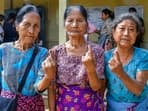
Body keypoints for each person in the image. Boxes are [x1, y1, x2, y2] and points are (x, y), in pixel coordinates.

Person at [47, 5, 106, 111]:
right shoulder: (55, 52)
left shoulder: (97, 51)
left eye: (80, 20)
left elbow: (97, 87)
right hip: (64, 106)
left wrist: (90, 68)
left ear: (87, 25)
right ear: (64, 24)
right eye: (70, 20)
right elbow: (51, 87)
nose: (75, 25)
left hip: (90, 106)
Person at [0, 4, 55, 111]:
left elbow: (39, 88)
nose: (31, 31)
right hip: (6, 106)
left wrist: (48, 77)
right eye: (26, 24)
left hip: (32, 107)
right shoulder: (3, 50)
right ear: (17, 25)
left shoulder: (42, 53)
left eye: (36, 26)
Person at [104, 13, 148, 111]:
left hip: (140, 107)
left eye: (131, 29)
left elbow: (138, 90)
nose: (126, 33)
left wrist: (120, 72)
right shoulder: (106, 57)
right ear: (113, 31)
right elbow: (103, 86)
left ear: (137, 33)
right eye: (122, 28)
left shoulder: (144, 56)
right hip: (113, 107)